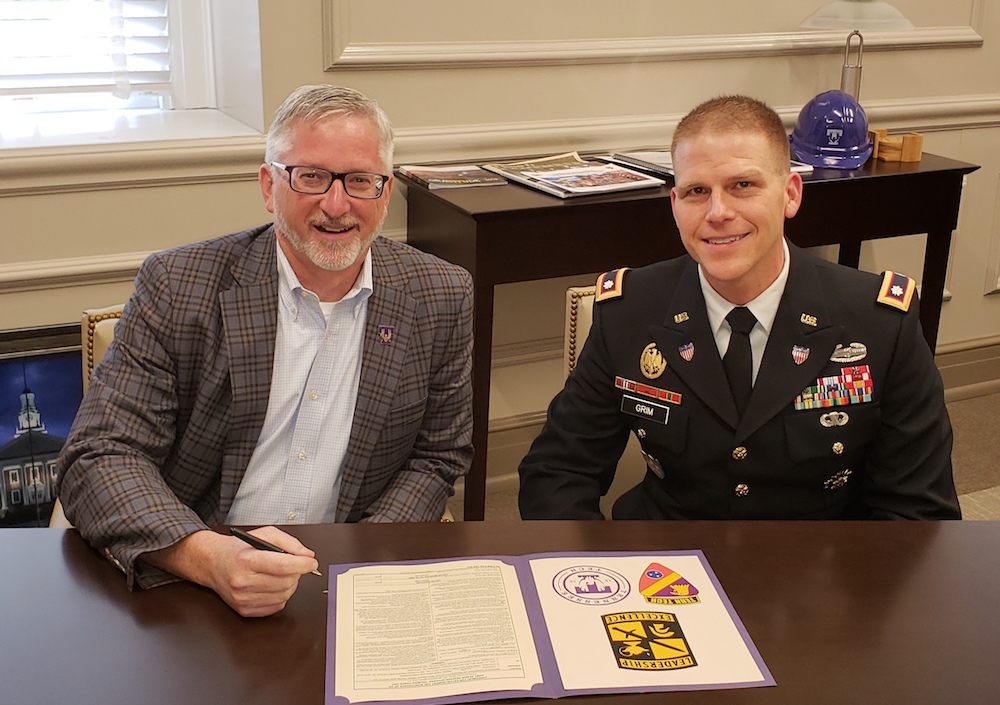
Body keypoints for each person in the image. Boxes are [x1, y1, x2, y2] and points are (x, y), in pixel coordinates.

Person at [57, 85, 474, 616]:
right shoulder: (179, 284)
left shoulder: (440, 294)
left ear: (386, 193)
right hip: (193, 576)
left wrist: (358, 564)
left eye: (360, 181)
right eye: (311, 176)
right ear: (268, 185)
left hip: (347, 580)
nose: (336, 204)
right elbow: (100, 455)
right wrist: (208, 556)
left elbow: (437, 457)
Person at [518, 94, 960, 522]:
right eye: (695, 191)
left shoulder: (878, 322)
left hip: (821, 577)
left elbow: (919, 512)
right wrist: (600, 583)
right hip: (662, 574)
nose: (717, 212)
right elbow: (557, 473)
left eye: (742, 185)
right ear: (675, 205)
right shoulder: (631, 310)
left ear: (790, 194)